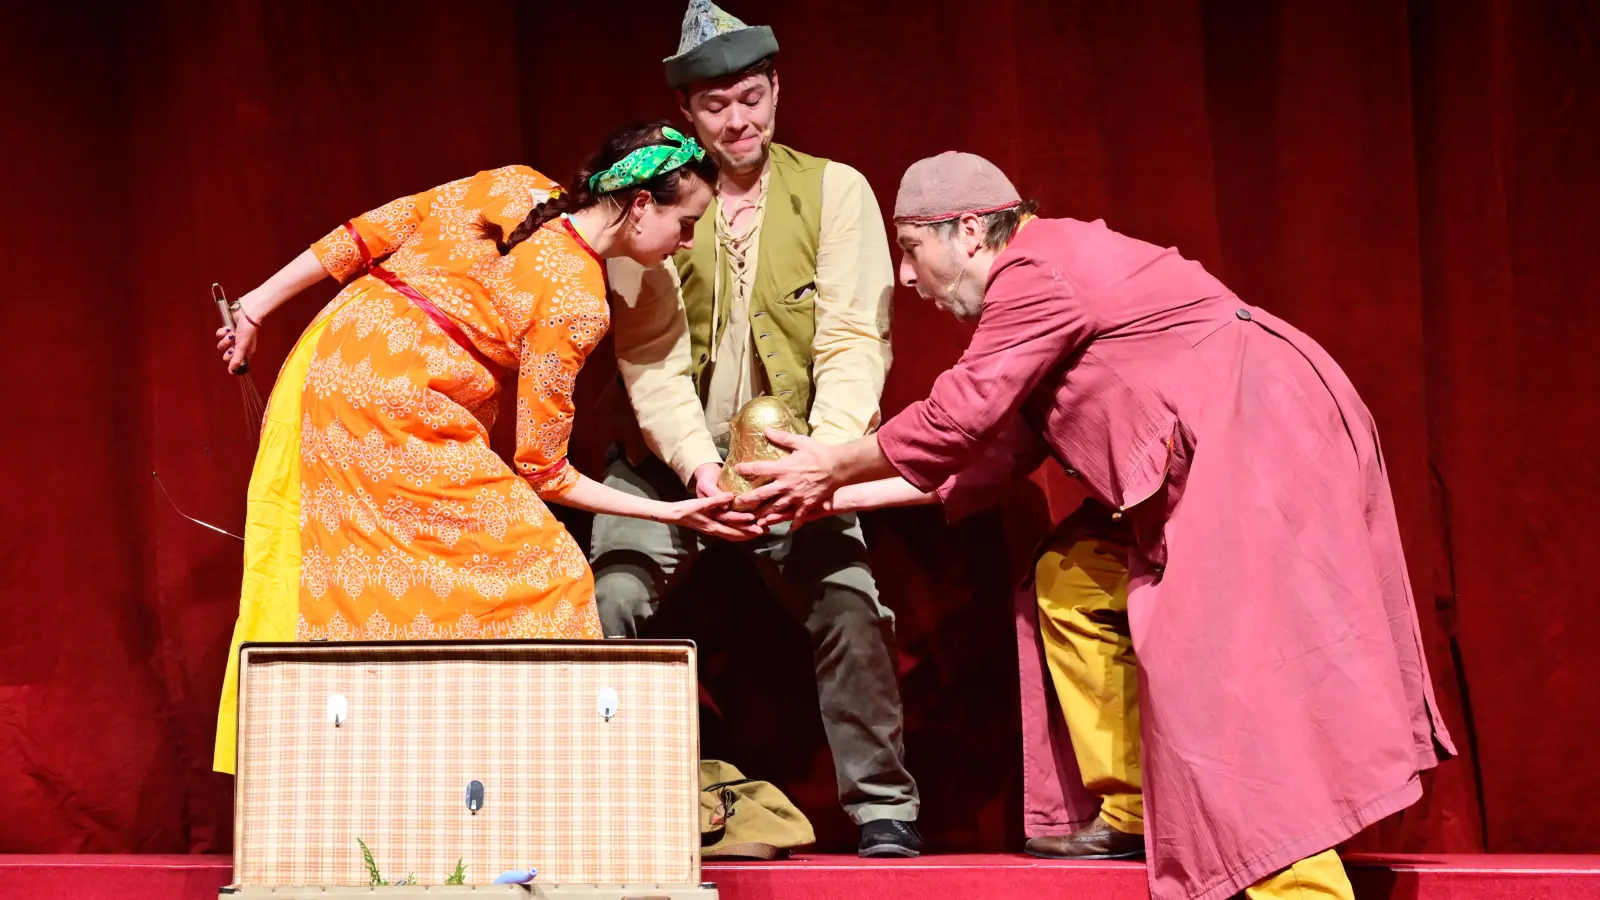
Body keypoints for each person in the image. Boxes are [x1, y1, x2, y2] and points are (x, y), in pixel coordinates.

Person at [736, 151, 1456, 900]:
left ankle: (1300, 888)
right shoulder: (1039, 290)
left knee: (1224, 667)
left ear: (971, 230)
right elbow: (990, 455)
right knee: (1074, 577)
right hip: (1228, 444)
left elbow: (958, 416)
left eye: (913, 249)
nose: (908, 277)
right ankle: (1137, 806)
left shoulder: (1037, 270)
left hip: (1258, 433)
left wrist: (831, 463)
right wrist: (828, 499)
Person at [210, 121, 757, 775]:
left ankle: (371, 767)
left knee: (358, 580)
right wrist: (672, 514)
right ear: (641, 205)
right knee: (546, 577)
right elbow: (544, 470)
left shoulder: (514, 184)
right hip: (398, 414)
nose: (685, 242)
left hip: (328, 367)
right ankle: (521, 781)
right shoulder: (577, 303)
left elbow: (368, 233)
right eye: (686, 223)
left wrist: (255, 307)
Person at [589, 0, 920, 857]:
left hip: (795, 460)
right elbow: (650, 359)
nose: (737, 120)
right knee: (608, 600)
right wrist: (700, 468)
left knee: (851, 604)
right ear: (687, 114)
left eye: (751, 97)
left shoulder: (834, 190)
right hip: (671, 466)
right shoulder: (653, 201)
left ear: (776, 90)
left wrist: (823, 460)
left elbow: (855, 338)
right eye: (714, 105)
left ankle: (884, 809)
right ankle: (609, 810)